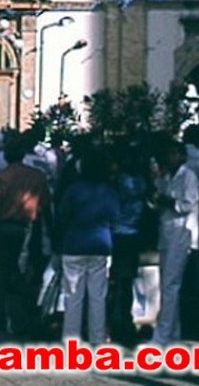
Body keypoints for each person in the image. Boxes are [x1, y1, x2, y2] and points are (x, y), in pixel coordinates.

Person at [0, 135, 51, 338]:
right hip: (28, 227)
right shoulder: (37, 176)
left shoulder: (2, 176)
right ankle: (27, 311)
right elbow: (46, 205)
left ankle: (0, 315)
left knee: (0, 273)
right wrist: (50, 230)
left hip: (2, 227)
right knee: (22, 272)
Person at [56, 145, 122, 345]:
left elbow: (62, 217)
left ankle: (71, 341)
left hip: (74, 245)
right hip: (100, 245)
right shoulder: (108, 192)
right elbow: (116, 219)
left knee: (73, 296)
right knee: (98, 297)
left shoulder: (74, 190)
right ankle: (97, 339)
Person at [152, 140, 199, 345]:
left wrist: (167, 201)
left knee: (171, 285)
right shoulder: (166, 177)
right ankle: (173, 334)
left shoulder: (188, 176)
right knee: (167, 284)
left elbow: (188, 203)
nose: (168, 158)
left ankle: (162, 336)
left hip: (182, 233)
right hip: (167, 231)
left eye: (173, 154)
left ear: (181, 155)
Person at [108, 140, 149, 346]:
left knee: (114, 282)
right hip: (133, 234)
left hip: (117, 233)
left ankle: (112, 322)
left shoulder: (118, 182)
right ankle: (125, 321)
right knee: (126, 282)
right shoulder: (142, 182)